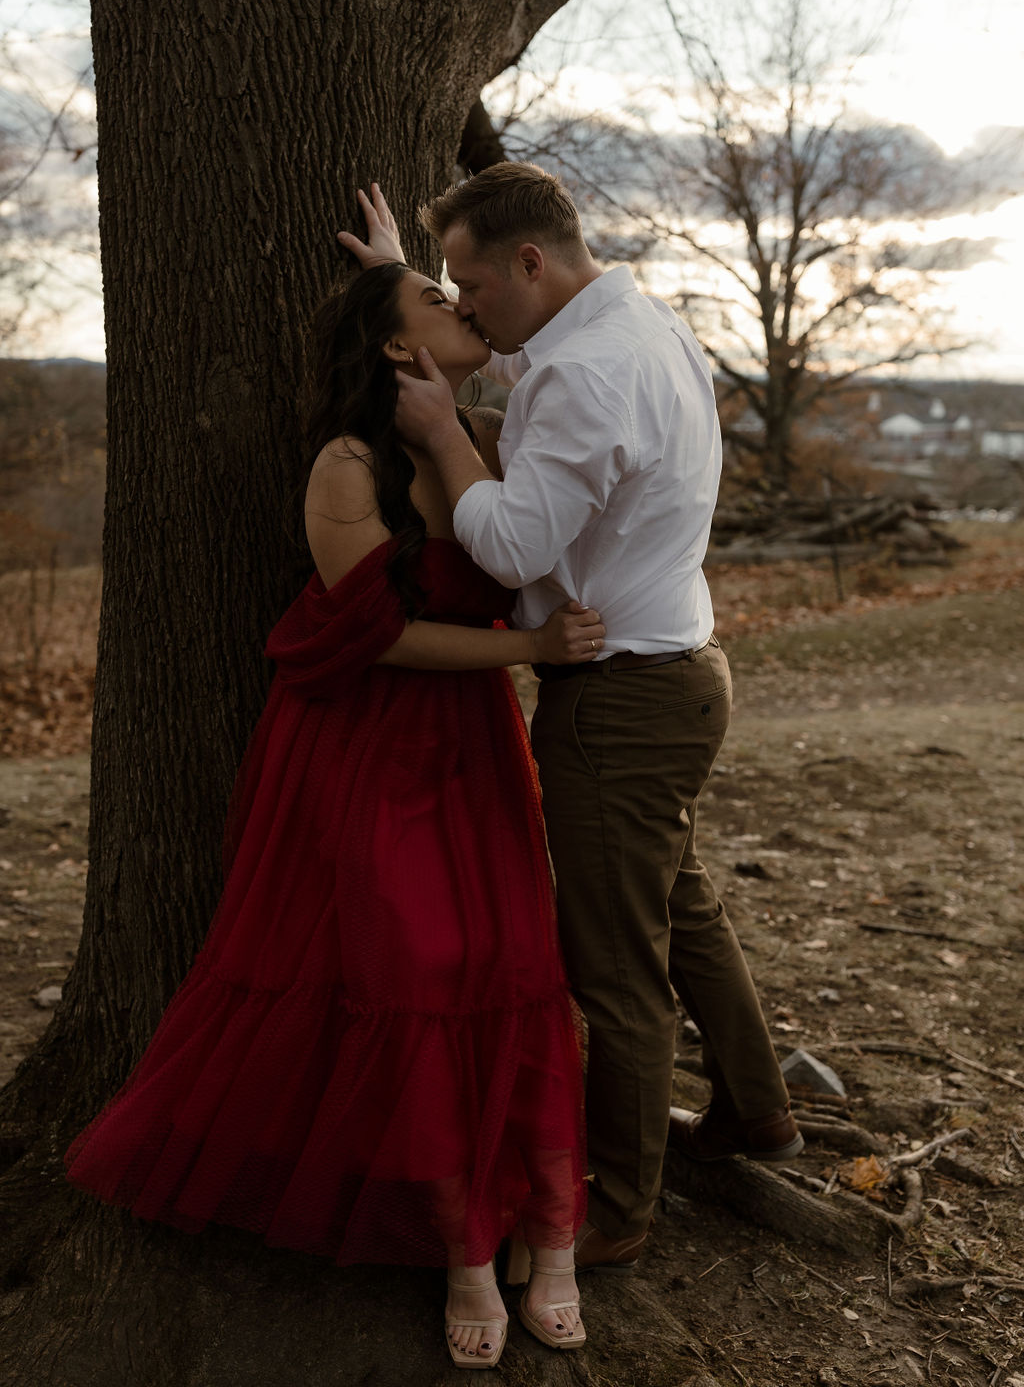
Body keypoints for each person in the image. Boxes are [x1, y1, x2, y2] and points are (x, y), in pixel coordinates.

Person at [65, 257, 606, 1368]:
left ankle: (549, 1233)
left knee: (512, 965)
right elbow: (381, 636)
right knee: (415, 966)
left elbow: (503, 334)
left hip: (473, 749)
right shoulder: (347, 466)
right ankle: (462, 1247)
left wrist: (397, 262)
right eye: (434, 303)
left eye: (462, 295)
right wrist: (531, 649)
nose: (464, 307)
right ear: (402, 348)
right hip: (361, 745)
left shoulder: (486, 441)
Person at [343, 166, 802, 1280]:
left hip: (620, 700)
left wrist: (448, 436)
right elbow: (511, 362)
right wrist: (400, 273)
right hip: (682, 668)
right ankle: (760, 1115)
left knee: (616, 967)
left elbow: (509, 550)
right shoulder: (639, 324)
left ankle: (618, 1205)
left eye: (468, 285)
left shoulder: (584, 378)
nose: (465, 309)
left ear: (531, 266)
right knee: (679, 907)